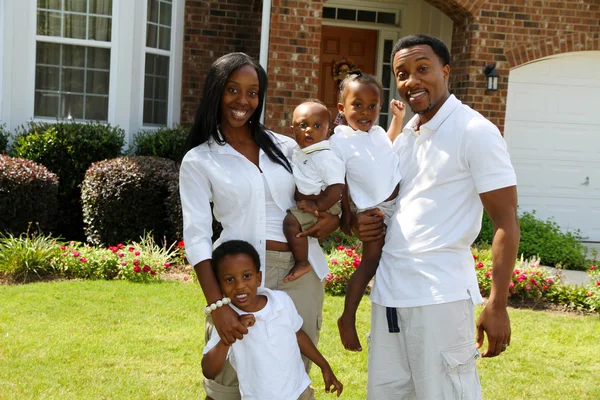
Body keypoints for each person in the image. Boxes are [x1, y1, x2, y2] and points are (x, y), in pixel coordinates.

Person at [353, 34, 520, 399]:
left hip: (439, 298)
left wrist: (497, 304)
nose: (412, 80)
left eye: (422, 69)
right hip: (389, 297)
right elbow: (389, 208)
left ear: (446, 71)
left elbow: (506, 221)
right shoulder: (406, 136)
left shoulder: (475, 131)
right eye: (402, 73)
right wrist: (360, 223)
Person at [179, 52, 339, 400]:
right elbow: (197, 237)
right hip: (240, 275)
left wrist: (333, 218)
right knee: (228, 379)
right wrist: (217, 306)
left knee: (289, 377)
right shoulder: (200, 159)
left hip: (300, 274)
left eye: (253, 92)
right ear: (216, 92)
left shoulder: (286, 146)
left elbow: (318, 190)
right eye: (233, 90)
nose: (243, 100)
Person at [202, 240, 343, 400]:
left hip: (299, 392)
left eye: (247, 276)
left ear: (259, 277)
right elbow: (209, 370)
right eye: (229, 279)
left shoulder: (281, 301)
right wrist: (228, 338)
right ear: (219, 286)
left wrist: (324, 366)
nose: (239, 285)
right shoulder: (228, 322)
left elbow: (299, 335)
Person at [330, 71, 405, 352]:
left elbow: (388, 145)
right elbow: (341, 182)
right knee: (370, 262)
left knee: (393, 262)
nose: (366, 112)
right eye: (357, 105)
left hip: (398, 206)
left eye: (373, 106)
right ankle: (347, 318)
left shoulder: (376, 133)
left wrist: (397, 120)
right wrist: (349, 216)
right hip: (373, 211)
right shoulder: (340, 140)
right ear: (342, 108)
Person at [282, 99, 345, 283]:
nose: (309, 130)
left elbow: (336, 188)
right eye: (303, 125)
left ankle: (302, 262)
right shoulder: (300, 151)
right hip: (313, 204)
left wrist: (316, 205)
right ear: (292, 129)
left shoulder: (325, 156)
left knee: (291, 223)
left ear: (328, 131)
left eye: (317, 126)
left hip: (325, 204)